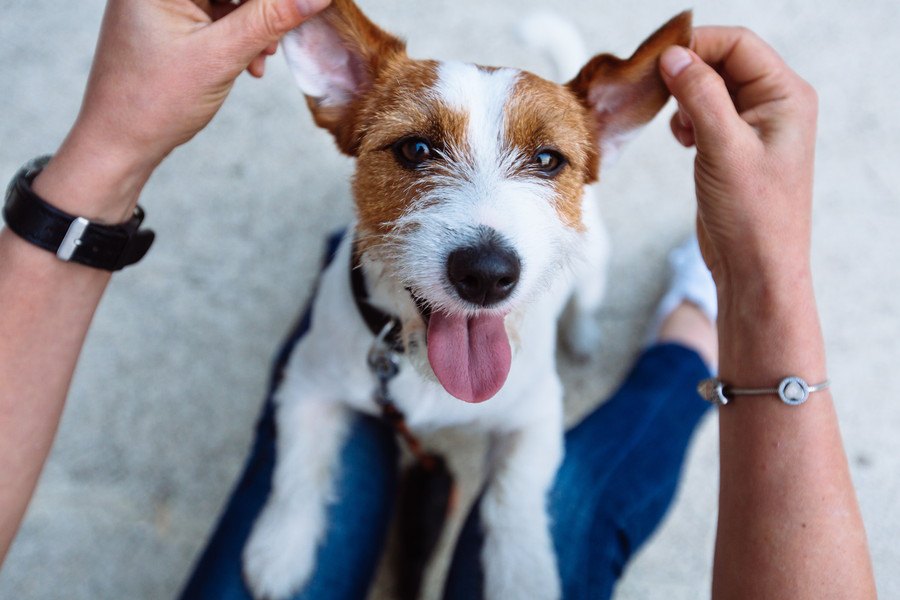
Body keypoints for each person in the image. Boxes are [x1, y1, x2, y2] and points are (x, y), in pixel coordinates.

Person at [0, 1, 877, 599]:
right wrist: (295, 502)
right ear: (339, 91)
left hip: (511, 310)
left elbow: (530, 417)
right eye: (418, 151)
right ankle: (691, 324)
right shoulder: (352, 93)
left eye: (546, 161)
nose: (486, 247)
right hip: (365, 326)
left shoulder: (545, 228)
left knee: (579, 296)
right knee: (322, 381)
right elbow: (310, 391)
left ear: (599, 140)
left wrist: (513, 515)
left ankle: (671, 321)